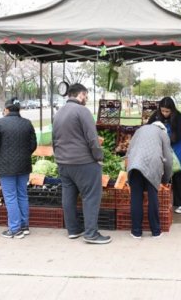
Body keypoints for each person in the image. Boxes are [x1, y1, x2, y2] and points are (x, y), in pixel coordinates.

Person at [52, 83, 111, 245]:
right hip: (83, 162)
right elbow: (93, 138)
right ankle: (91, 233)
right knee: (91, 196)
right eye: (86, 95)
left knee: (68, 196)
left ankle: (73, 229)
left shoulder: (58, 113)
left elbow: (54, 139)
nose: (86, 99)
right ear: (81, 94)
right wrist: (99, 156)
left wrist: (59, 158)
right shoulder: (82, 111)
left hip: (63, 162)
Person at [0, 98, 37, 239]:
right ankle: (24, 225)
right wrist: (24, 155)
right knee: (22, 194)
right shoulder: (27, 123)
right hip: (24, 165)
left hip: (6, 166)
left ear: (7, 109)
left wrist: (0, 157)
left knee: (10, 196)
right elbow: (33, 144)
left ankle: (14, 229)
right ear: (18, 109)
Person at [125, 121, 172, 239]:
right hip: (153, 165)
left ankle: (136, 232)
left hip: (135, 164)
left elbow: (128, 152)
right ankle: (156, 231)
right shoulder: (163, 134)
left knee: (136, 197)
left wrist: (127, 174)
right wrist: (166, 179)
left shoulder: (139, 130)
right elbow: (169, 159)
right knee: (152, 197)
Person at [147, 97, 181, 214]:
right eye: (163, 111)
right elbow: (148, 128)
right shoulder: (155, 115)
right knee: (163, 175)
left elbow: (177, 135)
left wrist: (164, 140)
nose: (164, 113)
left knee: (177, 174)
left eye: (167, 111)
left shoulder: (178, 116)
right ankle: (165, 201)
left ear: (172, 110)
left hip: (176, 148)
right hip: (162, 147)